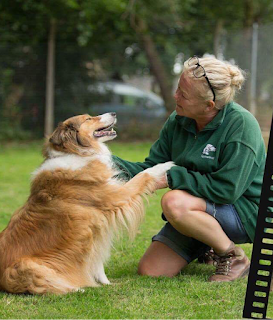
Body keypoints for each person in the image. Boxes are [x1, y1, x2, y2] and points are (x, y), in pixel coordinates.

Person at [112, 55, 266, 282]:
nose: (175, 96)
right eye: (178, 89)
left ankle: (233, 257)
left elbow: (226, 191)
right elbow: (151, 168)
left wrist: (173, 177)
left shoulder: (241, 126)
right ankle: (207, 242)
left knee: (174, 202)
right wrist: (102, 162)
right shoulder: (178, 120)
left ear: (209, 105)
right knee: (152, 269)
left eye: (183, 94)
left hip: (246, 211)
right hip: (199, 211)